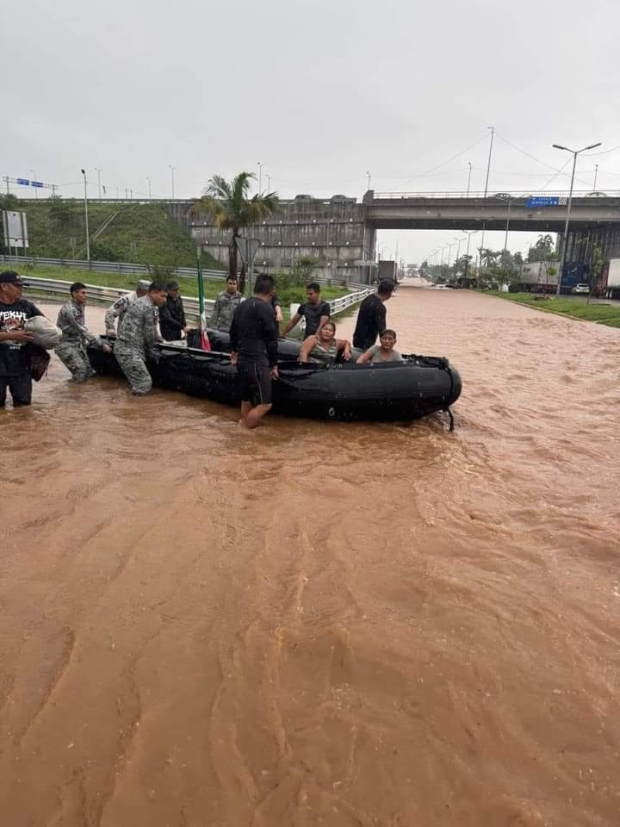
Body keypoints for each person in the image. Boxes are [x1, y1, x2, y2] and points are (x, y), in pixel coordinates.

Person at [229, 274, 279, 429]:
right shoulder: (266, 308)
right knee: (265, 404)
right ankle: (244, 431)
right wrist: (274, 364)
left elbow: (232, 331)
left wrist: (234, 350)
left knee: (246, 400)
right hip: (257, 361)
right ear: (271, 294)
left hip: (242, 359)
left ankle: (244, 438)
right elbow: (272, 340)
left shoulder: (241, 306)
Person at [114, 282, 168, 395]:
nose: (165, 300)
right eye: (163, 296)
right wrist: (152, 349)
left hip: (130, 349)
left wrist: (157, 338)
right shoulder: (147, 306)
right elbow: (149, 334)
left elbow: (150, 329)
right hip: (128, 350)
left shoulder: (145, 303)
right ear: (153, 293)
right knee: (144, 383)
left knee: (139, 383)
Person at [0, 271, 44, 408]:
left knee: (24, 410)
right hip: (0, 366)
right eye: (17, 286)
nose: (21, 289)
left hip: (22, 367)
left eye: (22, 286)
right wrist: (12, 336)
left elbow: (46, 327)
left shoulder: (27, 306)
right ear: (4, 286)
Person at [55, 282, 111, 382]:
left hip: (77, 343)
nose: (86, 296)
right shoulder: (70, 310)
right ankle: (73, 395)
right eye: (83, 293)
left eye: (86, 293)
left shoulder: (81, 305)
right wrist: (101, 344)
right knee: (81, 372)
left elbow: (81, 329)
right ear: (74, 294)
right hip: (64, 345)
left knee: (89, 372)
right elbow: (82, 329)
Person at [352, 279, 395, 351]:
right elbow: (382, 331)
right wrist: (387, 348)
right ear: (389, 293)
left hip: (357, 339)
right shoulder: (380, 307)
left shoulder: (368, 298)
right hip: (367, 343)